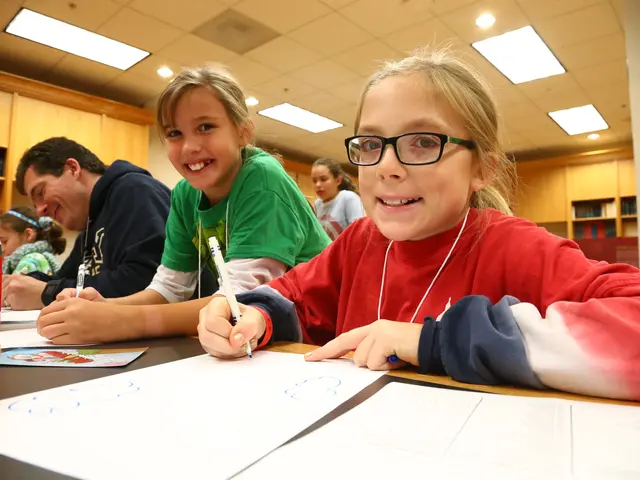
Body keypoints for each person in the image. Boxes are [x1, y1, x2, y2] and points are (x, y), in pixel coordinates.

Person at [197, 47, 640, 401]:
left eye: (424, 142)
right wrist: (249, 315)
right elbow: (293, 299)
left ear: (482, 169)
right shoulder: (360, 241)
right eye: (371, 144)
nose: (387, 166)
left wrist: (439, 340)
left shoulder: (513, 245)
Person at [36, 64, 330, 344]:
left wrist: (118, 321)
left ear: (243, 131)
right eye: (174, 133)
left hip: (318, 334)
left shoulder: (262, 179)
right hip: (261, 337)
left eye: (205, 126)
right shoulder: (184, 194)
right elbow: (169, 288)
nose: (189, 147)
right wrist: (107, 307)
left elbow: (240, 300)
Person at [2, 137, 171, 310]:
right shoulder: (89, 226)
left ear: (73, 169)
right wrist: (25, 284)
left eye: (41, 192)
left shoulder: (136, 191)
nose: (39, 210)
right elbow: (63, 279)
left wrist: (48, 292)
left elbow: (151, 284)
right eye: (34, 204)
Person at [0, 206, 66, 277]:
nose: (2, 249)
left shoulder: (29, 262)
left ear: (28, 235)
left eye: (4, 241)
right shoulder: (42, 258)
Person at [312, 157, 365, 239]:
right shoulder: (317, 204)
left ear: (338, 180)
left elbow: (359, 233)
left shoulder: (348, 198)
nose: (318, 185)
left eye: (323, 179)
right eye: (314, 181)